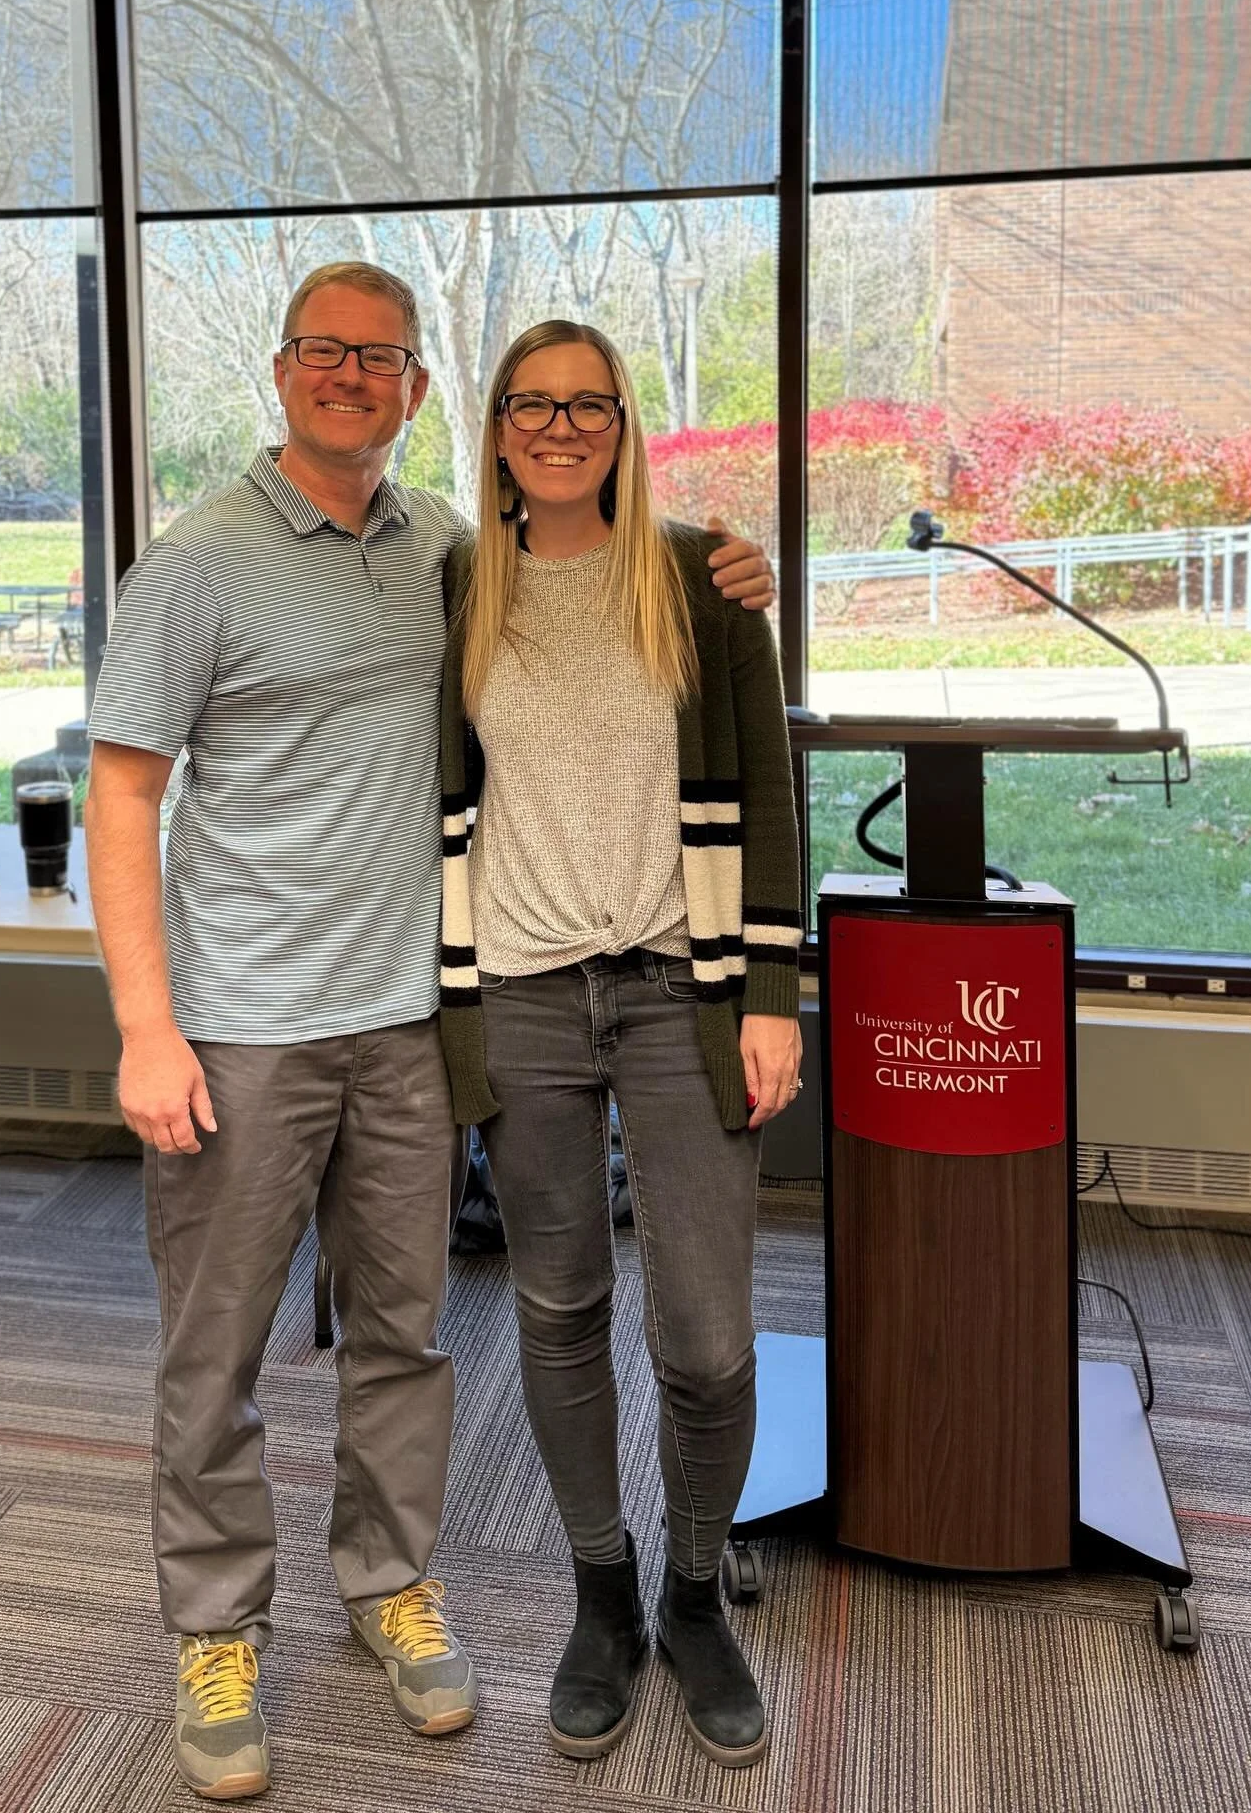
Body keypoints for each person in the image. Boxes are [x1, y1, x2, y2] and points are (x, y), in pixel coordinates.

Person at [83, 262, 776, 1803]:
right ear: (281, 372)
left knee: (402, 1340)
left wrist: (742, 568)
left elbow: (615, 588)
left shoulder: (448, 556)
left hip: (411, 1021)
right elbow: (122, 793)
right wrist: (146, 1025)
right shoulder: (196, 562)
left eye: (380, 359)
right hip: (244, 1030)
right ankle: (215, 1630)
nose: (350, 377)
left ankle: (390, 1584)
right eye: (325, 353)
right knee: (218, 1355)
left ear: (411, 391)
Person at [437, 320, 802, 1770]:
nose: (562, 425)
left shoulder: (707, 580)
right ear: (500, 427)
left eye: (588, 403)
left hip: (682, 987)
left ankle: (695, 1589)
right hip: (519, 989)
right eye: (534, 403)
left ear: (626, 421)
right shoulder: (460, 585)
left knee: (706, 1343)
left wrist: (768, 989)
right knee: (560, 1307)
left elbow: (769, 792)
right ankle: (602, 1592)